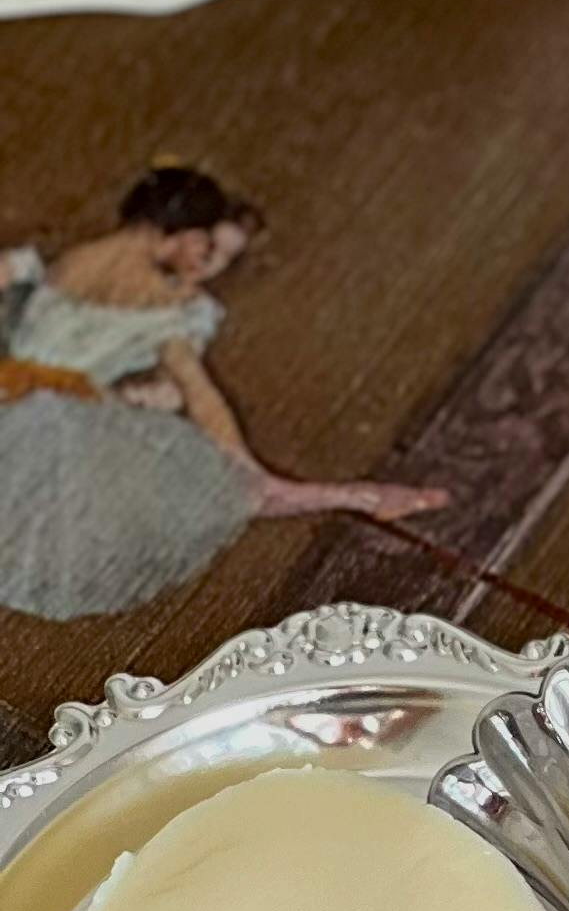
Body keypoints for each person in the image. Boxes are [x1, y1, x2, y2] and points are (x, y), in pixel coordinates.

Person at [0, 167, 444, 621]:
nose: (203, 264)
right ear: (186, 232)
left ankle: (322, 493)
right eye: (205, 248)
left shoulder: (119, 287)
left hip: (44, 409)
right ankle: (312, 492)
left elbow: (192, 388)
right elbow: (195, 387)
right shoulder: (154, 299)